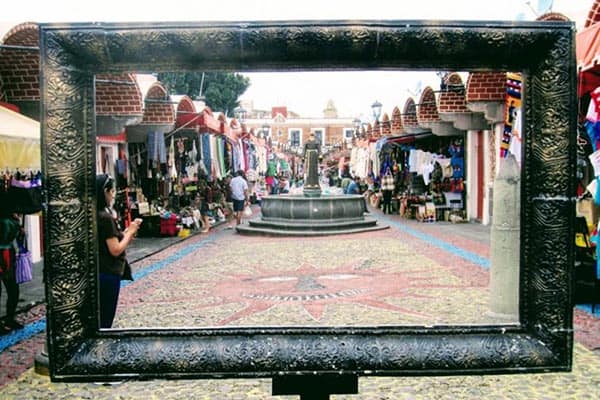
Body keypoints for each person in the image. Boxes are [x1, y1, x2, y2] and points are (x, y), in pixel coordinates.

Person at [96, 174, 141, 329]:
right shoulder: (105, 218)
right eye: (112, 191)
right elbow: (115, 249)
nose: (113, 195)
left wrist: (126, 233)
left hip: (98, 270)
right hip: (108, 271)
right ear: (105, 192)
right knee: (105, 319)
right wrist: (130, 232)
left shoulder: (93, 215)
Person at [0, 211, 23, 334]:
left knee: (13, 289)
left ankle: (10, 318)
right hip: (4, 255)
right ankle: (8, 319)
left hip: (8, 254)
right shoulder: (7, 221)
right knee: (12, 289)